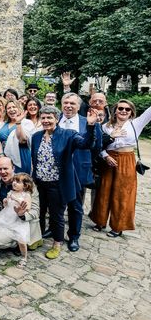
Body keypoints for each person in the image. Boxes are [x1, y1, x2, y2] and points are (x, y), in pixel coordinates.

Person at [31, 105, 97, 259]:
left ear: (56, 119)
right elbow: (36, 160)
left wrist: (91, 126)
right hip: (40, 182)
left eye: (49, 117)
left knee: (56, 215)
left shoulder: (68, 135)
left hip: (57, 184)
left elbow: (86, 144)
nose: (46, 120)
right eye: (43, 117)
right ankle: (38, 237)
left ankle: (57, 242)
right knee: (39, 213)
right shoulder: (36, 137)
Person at [90, 100, 151, 237]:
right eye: (120, 108)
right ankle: (100, 221)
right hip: (109, 159)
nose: (123, 111)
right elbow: (99, 144)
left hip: (127, 159)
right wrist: (105, 156)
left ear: (131, 112)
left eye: (127, 109)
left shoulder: (136, 123)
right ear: (115, 110)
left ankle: (118, 226)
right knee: (104, 191)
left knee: (123, 193)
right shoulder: (106, 126)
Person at [56, 92, 102, 251]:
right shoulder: (55, 120)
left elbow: (96, 147)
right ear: (61, 104)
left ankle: (74, 236)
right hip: (57, 170)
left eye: (72, 104)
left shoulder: (88, 122)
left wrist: (86, 164)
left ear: (79, 106)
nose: (68, 106)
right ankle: (56, 231)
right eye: (66, 103)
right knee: (56, 204)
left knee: (75, 206)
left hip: (78, 170)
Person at [0, 156, 42, 250]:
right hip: (3, 214)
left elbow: (36, 210)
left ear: (13, 168)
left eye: (5, 168)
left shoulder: (26, 183)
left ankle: (17, 242)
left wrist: (22, 215)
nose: (2, 172)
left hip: (20, 221)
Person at [0, 173, 34, 268]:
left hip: (19, 220)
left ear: (25, 185)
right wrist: (5, 201)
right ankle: (1, 242)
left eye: (18, 182)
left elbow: (28, 207)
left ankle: (24, 257)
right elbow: (6, 206)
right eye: (14, 180)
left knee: (21, 240)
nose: (14, 183)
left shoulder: (26, 195)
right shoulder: (10, 192)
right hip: (7, 218)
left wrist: (17, 200)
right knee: (1, 230)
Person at [0, 100, 34, 176]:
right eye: (9, 108)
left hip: (20, 156)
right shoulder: (2, 123)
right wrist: (2, 156)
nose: (11, 109)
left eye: (14, 107)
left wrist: (18, 123)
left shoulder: (27, 123)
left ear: (19, 109)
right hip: (2, 155)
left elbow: (23, 140)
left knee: (19, 182)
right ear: (6, 111)